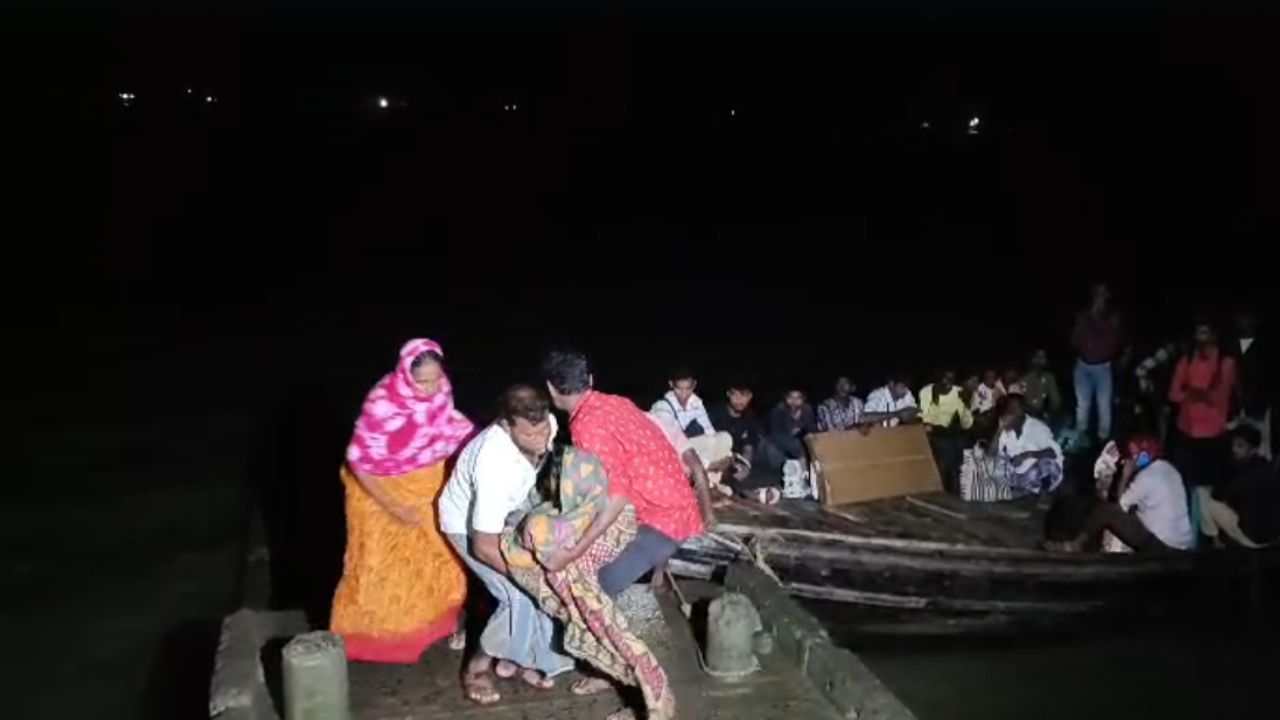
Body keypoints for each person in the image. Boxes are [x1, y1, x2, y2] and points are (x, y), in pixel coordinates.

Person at [502, 446, 676, 720]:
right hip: (645, 535)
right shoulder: (593, 483)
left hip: (646, 544)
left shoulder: (560, 520)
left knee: (613, 632)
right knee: (608, 633)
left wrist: (557, 547)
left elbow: (535, 542)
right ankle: (630, 688)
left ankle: (645, 701)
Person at [331, 339, 474, 662]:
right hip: (381, 484)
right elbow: (359, 461)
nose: (430, 388)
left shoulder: (440, 389)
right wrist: (393, 506)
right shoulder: (383, 403)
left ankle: (435, 624)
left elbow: (445, 423)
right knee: (382, 566)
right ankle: (381, 640)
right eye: (422, 382)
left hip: (427, 478)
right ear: (405, 376)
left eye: (436, 378)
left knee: (441, 554)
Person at [438, 385, 572, 704]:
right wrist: (524, 576)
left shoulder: (545, 424)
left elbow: (544, 460)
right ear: (504, 424)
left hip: (512, 509)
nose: (540, 440)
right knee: (518, 595)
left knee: (542, 584)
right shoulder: (492, 461)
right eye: (528, 435)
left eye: (542, 431)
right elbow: (484, 544)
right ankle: (477, 668)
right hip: (468, 526)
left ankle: (525, 659)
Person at [542, 350, 707, 597]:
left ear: (551, 389)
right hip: (680, 503)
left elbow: (617, 496)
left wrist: (575, 551)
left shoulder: (586, 425)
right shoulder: (617, 402)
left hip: (662, 522)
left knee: (586, 592)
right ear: (590, 380)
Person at [1046, 435, 1193, 553]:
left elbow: (1120, 506)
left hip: (1162, 545)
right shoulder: (1169, 469)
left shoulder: (1146, 478)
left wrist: (1125, 474)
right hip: (1182, 542)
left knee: (1106, 512)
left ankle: (1075, 545)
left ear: (1141, 457)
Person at [1168, 320, 1238, 508]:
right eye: (1198, 333)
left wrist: (1191, 392)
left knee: (1206, 490)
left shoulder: (1226, 363)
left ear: (1215, 336)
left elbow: (1218, 397)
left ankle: (1205, 532)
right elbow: (1174, 394)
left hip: (1212, 435)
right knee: (1183, 485)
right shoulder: (1187, 359)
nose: (1201, 338)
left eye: (1206, 332)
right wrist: (1198, 394)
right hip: (1186, 431)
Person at [649, 369, 734, 488]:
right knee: (693, 448)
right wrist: (708, 463)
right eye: (679, 388)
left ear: (694, 385)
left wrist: (728, 455)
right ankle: (707, 472)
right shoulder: (662, 408)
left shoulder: (696, 403)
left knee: (725, 438)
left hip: (693, 448)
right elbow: (674, 445)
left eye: (688, 388)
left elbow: (710, 431)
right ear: (671, 385)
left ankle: (710, 474)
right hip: (671, 453)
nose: (684, 393)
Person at [1200, 425, 1280, 549]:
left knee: (1205, 497)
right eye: (1233, 445)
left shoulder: (1245, 475)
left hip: (1254, 538)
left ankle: (1216, 542)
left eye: (1240, 446)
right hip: (1275, 535)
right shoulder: (1269, 467)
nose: (1234, 450)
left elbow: (1218, 495)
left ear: (1253, 449)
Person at [709, 381, 786, 500]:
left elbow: (748, 446)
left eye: (744, 395)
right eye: (736, 395)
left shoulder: (750, 416)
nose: (740, 400)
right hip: (716, 459)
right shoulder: (715, 414)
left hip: (737, 460)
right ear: (728, 394)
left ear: (750, 397)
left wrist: (745, 466)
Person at [1070, 283, 1124, 442]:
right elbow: (1074, 341)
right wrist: (1088, 319)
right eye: (1097, 294)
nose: (1100, 298)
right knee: (1082, 404)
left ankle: (1103, 438)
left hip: (1103, 368)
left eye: (1103, 295)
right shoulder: (1082, 316)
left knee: (1104, 404)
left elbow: (1114, 342)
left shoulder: (1114, 318)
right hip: (1083, 366)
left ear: (1107, 297)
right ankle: (1081, 434)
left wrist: (1098, 320)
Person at [647, 409, 724, 515]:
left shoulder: (669, 430)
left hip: (673, 473)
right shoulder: (656, 421)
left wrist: (708, 514)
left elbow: (697, 467)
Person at [995, 394, 1064, 498]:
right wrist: (999, 431)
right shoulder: (1006, 430)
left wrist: (1027, 455)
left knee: (1046, 463)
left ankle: (1043, 494)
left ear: (1023, 410)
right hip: (1021, 475)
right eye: (1010, 409)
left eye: (1015, 408)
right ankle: (1023, 490)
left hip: (1042, 474)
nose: (1012, 412)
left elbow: (1053, 452)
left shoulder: (1037, 427)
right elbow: (993, 455)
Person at [919, 369, 974, 493]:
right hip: (933, 431)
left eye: (951, 380)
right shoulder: (927, 392)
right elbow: (926, 419)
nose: (947, 382)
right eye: (944, 378)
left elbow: (967, 424)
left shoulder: (958, 393)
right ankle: (940, 488)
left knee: (960, 447)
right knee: (946, 449)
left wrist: (966, 404)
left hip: (952, 432)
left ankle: (956, 488)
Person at [1232, 309, 1272, 460]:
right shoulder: (1231, 345)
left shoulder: (1265, 348)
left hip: (1257, 408)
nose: (1244, 322)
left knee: (1259, 449)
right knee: (1237, 448)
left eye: (1248, 319)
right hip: (1235, 408)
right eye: (1241, 318)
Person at [768, 387, 818, 460]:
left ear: (803, 399)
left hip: (802, 443)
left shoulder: (807, 409)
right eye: (791, 397)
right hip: (784, 445)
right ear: (786, 398)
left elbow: (811, 429)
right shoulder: (779, 410)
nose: (794, 401)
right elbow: (776, 434)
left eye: (798, 398)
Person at [1020, 349, 1064, 423]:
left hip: (1041, 413)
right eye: (1037, 357)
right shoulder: (1023, 378)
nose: (1040, 361)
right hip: (1025, 414)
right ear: (1032, 359)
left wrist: (1049, 412)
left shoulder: (1049, 378)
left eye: (1042, 357)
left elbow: (1056, 400)